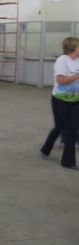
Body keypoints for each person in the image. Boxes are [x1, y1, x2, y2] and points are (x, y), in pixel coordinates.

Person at [40, 37, 79, 169]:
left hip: (76, 100)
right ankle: (46, 148)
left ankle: (68, 161)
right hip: (60, 100)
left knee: (73, 129)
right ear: (73, 48)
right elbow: (61, 80)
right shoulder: (62, 61)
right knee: (60, 127)